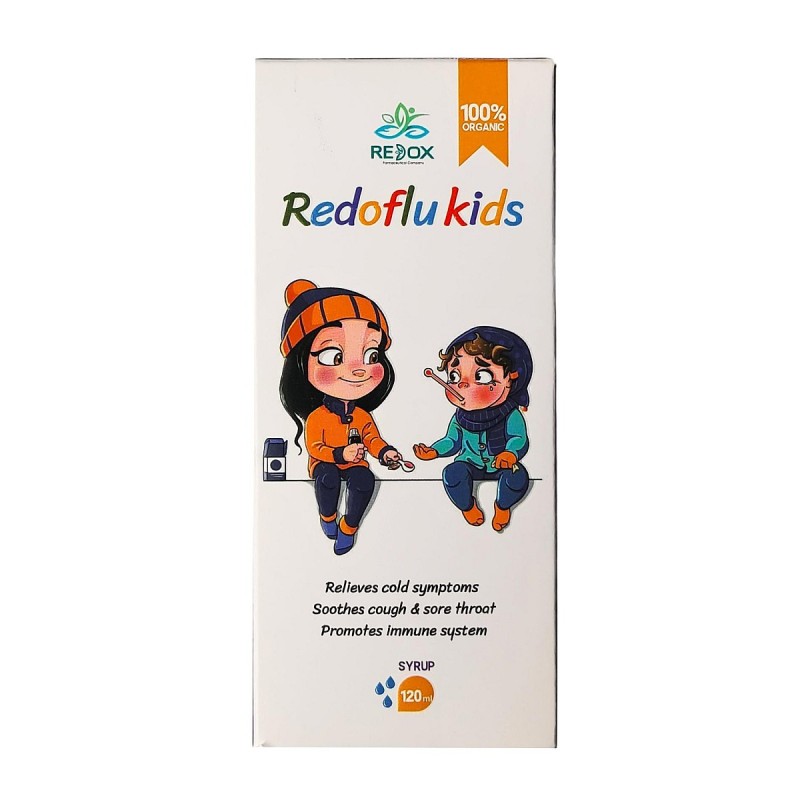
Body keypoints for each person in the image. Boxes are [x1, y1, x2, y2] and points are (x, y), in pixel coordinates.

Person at [279, 279, 402, 555]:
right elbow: (315, 448)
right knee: (328, 478)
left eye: (371, 355)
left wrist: (385, 453)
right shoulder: (317, 417)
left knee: (364, 481)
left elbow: (372, 439)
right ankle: (327, 516)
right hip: (325, 464)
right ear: (302, 362)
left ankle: (349, 527)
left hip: (355, 465)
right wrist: (340, 454)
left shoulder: (361, 415)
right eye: (334, 356)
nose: (358, 370)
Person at [414, 326, 533, 532]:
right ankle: (468, 506)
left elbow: (519, 438)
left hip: (502, 464)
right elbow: (452, 440)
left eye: (482, 376)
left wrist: (510, 453)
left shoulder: (510, 414)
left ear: (510, 378)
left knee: (518, 478)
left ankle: (502, 506)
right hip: (469, 464)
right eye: (454, 376)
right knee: (451, 474)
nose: (462, 385)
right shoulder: (460, 417)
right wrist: (434, 451)